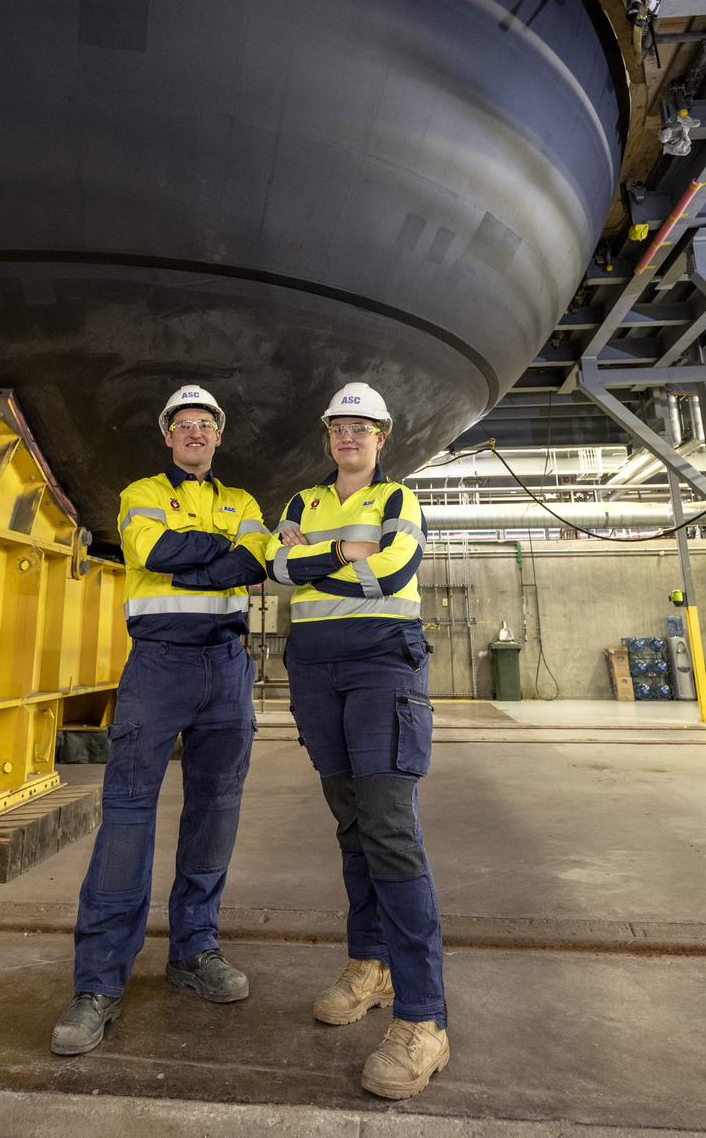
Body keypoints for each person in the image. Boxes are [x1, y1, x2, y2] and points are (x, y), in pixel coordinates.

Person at [52, 384, 270, 1056]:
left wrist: (199, 559)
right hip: (159, 666)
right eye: (185, 424)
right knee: (126, 814)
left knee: (216, 809)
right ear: (167, 436)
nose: (197, 433)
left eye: (207, 424)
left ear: (218, 437)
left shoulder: (244, 502)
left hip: (228, 670)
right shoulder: (141, 493)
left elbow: (255, 559)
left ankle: (193, 951)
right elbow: (152, 552)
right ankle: (98, 985)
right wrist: (216, 560)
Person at [265, 382, 448, 1101]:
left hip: (381, 667)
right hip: (314, 670)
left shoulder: (399, 501)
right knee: (351, 829)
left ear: (382, 437)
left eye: (361, 427)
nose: (349, 437)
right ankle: (370, 964)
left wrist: (318, 559)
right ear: (328, 436)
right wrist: (341, 554)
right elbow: (275, 570)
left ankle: (425, 1016)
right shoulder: (300, 506)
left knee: (389, 829)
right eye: (339, 426)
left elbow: (393, 571)